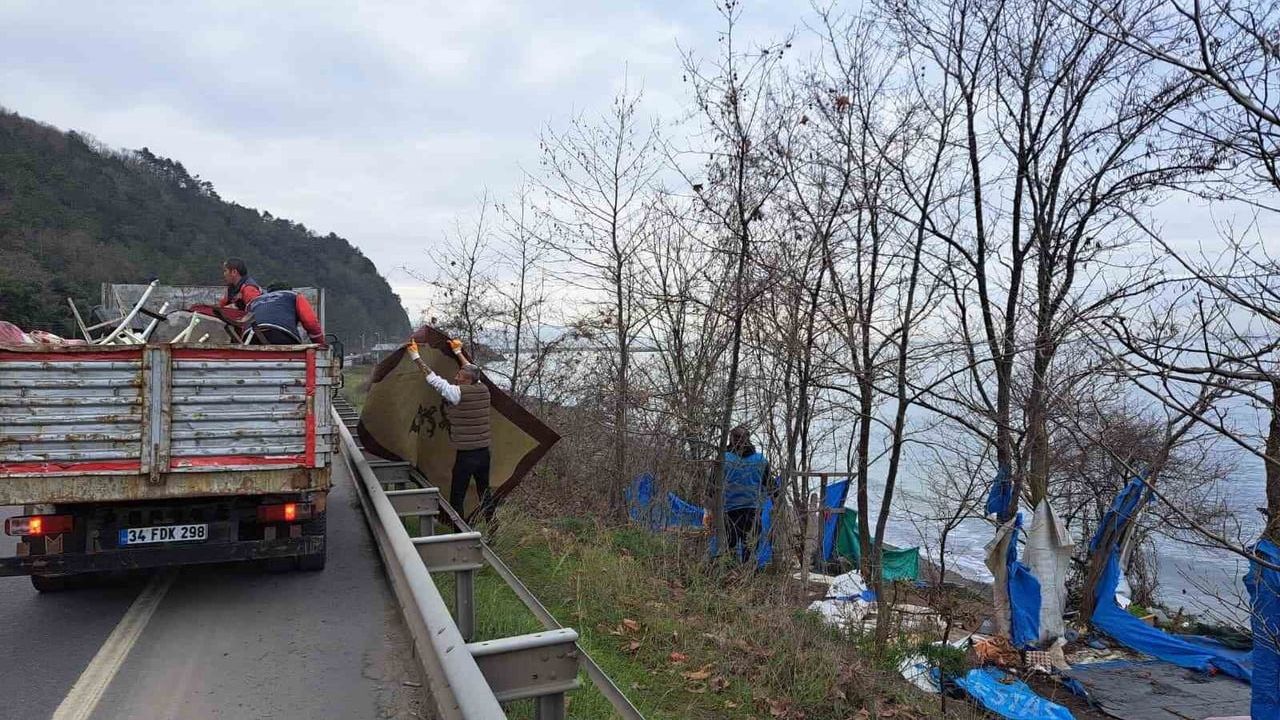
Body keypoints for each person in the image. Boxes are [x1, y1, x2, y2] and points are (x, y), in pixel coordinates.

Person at [406, 338, 493, 520]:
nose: (456, 378)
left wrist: (415, 356)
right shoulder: (483, 388)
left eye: (459, 376)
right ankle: (493, 526)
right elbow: (472, 370)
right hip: (484, 453)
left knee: (457, 496)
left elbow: (434, 380)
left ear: (467, 380)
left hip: (467, 455)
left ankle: (459, 531)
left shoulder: (457, 393)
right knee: (485, 493)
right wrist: (458, 352)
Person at [722, 425, 767, 564]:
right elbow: (712, 488)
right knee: (740, 548)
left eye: (740, 438)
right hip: (737, 512)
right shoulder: (724, 459)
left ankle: (739, 573)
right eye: (737, 438)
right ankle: (739, 573)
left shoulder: (759, 460)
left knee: (740, 548)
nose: (738, 441)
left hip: (744, 511)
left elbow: (772, 486)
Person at [245, 289, 325, 346]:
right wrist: (320, 344)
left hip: (250, 336)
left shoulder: (253, 302)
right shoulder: (293, 295)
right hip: (281, 334)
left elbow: (244, 323)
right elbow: (310, 322)